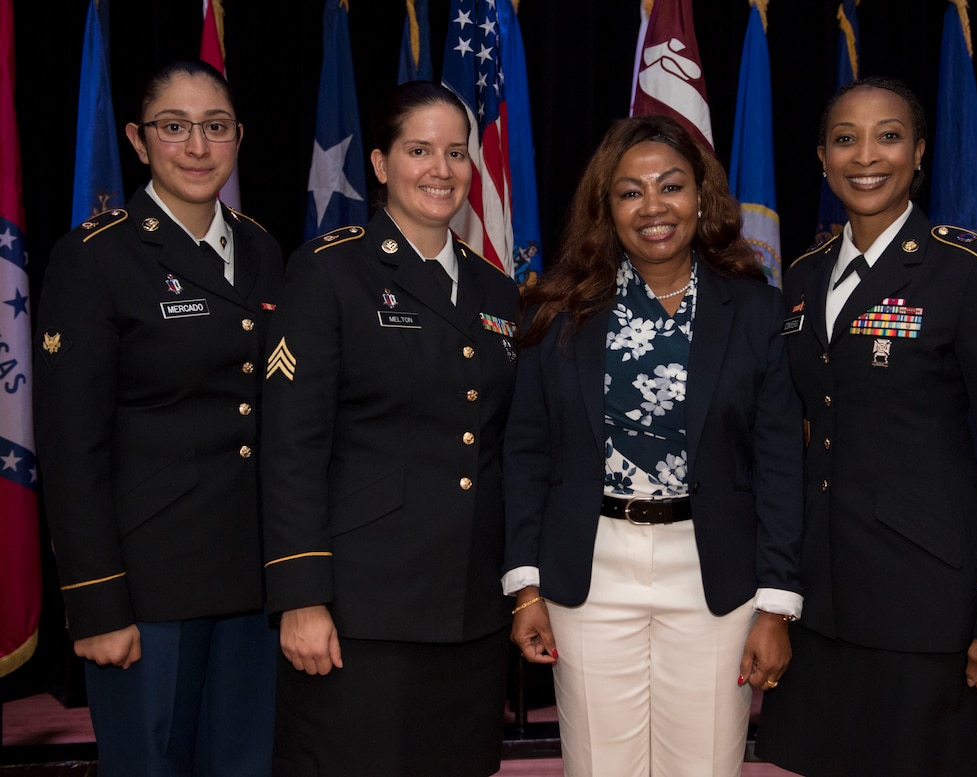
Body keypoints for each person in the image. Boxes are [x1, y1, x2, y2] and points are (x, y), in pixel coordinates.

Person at [755, 77, 977, 777]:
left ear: (918, 152)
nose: (867, 155)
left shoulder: (967, 270)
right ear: (821, 158)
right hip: (825, 599)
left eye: (888, 135)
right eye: (845, 138)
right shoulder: (801, 277)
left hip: (930, 605)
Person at [503, 114, 805, 777]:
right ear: (605, 208)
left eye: (670, 186)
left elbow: (781, 462)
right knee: (599, 765)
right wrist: (526, 589)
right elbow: (526, 452)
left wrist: (777, 603)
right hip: (590, 569)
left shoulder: (755, 311)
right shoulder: (556, 311)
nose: (653, 207)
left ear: (702, 195)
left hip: (713, 573)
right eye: (630, 191)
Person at [260, 80, 520, 776]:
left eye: (457, 152)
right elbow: (292, 446)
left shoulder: (498, 291)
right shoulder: (329, 272)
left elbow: (500, 447)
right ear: (379, 164)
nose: (441, 168)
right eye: (419, 149)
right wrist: (301, 597)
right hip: (362, 612)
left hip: (470, 611)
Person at [33, 59, 284, 776]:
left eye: (216, 128)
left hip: (252, 580)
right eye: (175, 128)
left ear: (238, 137)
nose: (198, 147)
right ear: (139, 141)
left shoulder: (264, 250)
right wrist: (95, 602)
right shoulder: (96, 258)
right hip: (148, 590)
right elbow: (70, 447)